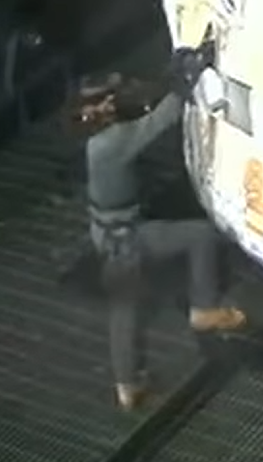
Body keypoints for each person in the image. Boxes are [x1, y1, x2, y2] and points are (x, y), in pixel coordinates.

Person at [73, 57, 246, 411]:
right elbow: (159, 121)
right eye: (115, 94)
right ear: (104, 105)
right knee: (202, 235)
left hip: (106, 236)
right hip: (129, 238)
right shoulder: (114, 140)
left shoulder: (94, 141)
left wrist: (170, 76)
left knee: (125, 310)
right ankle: (205, 308)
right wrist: (185, 84)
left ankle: (128, 386)